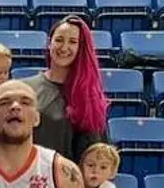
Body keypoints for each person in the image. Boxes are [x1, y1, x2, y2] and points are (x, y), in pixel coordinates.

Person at [23, 15, 110, 162]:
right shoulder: (25, 88)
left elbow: (96, 157)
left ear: (81, 48)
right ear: (49, 43)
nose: (64, 48)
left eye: (72, 42)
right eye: (59, 40)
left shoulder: (90, 96)